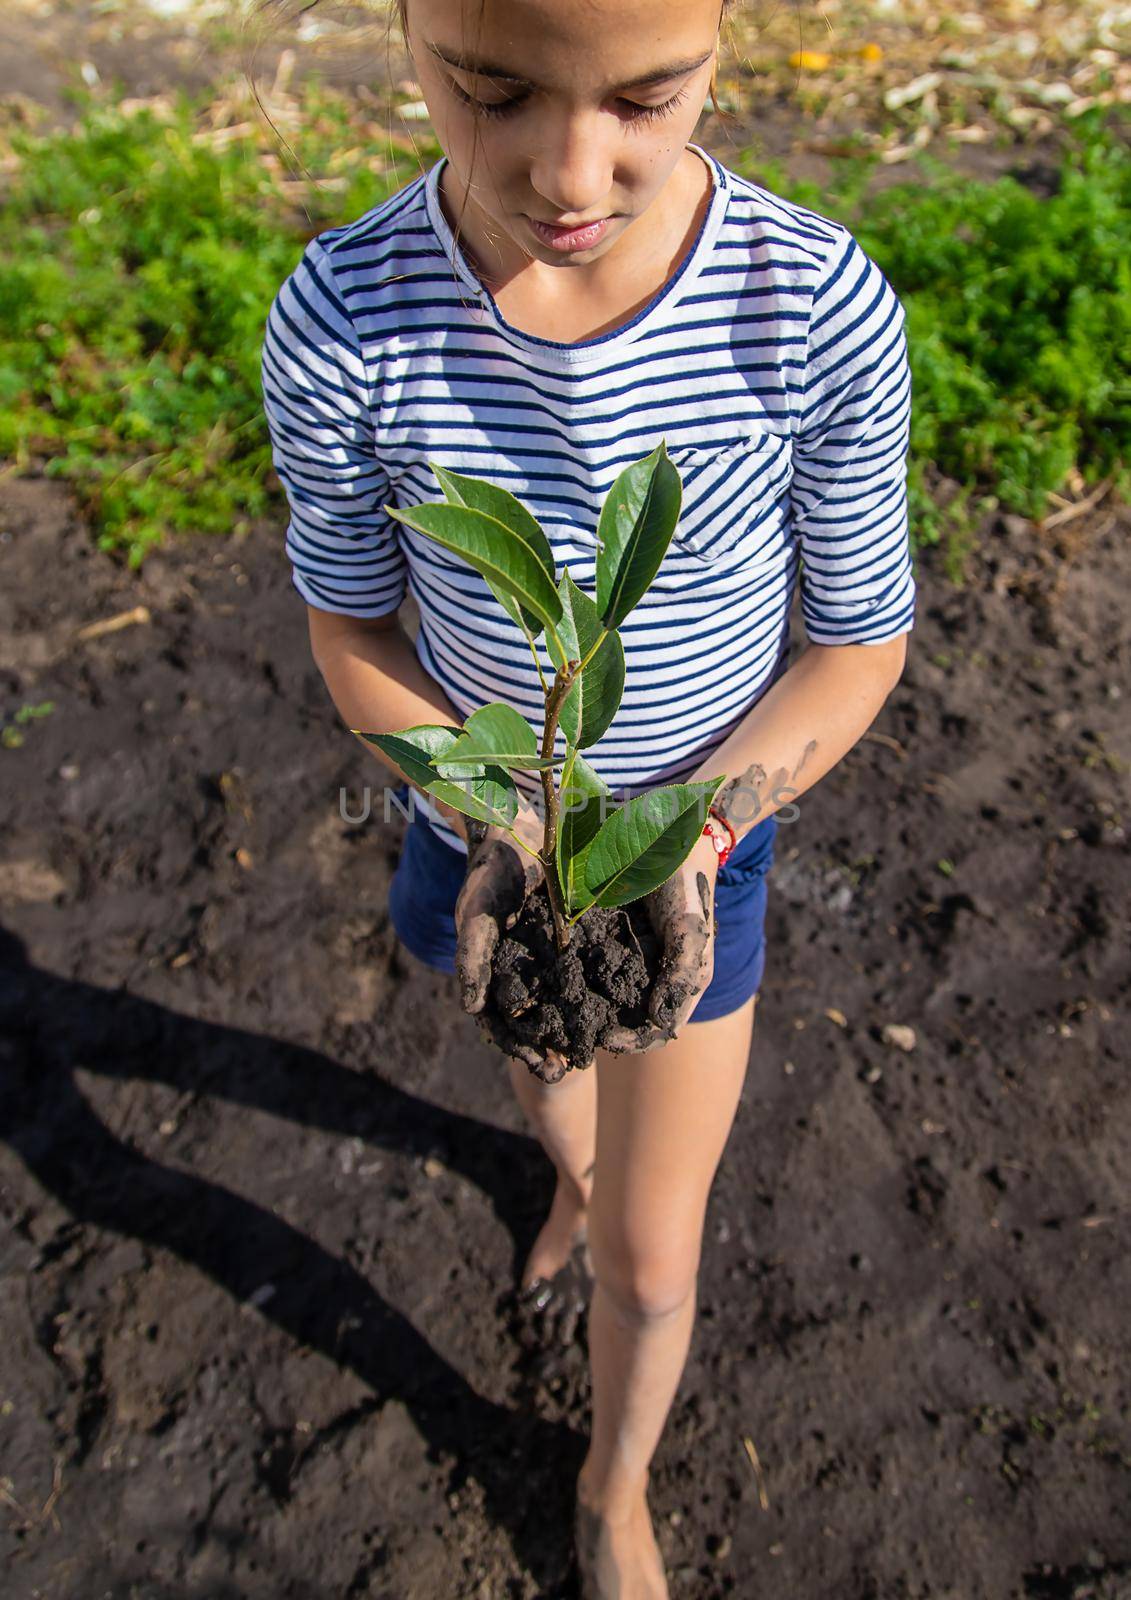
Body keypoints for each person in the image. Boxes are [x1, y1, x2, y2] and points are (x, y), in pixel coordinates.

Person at [259, 0, 915, 1591]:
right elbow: (351, 621)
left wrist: (688, 831)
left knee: (655, 1246)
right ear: (407, 33)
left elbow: (857, 637)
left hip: (702, 850)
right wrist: (500, 818)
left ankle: (614, 1486)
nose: (571, 168)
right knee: (535, 1054)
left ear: (728, 43)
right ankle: (562, 1164)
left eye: (648, 97)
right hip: (474, 833)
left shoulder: (808, 306)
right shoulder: (345, 316)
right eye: (490, 90)